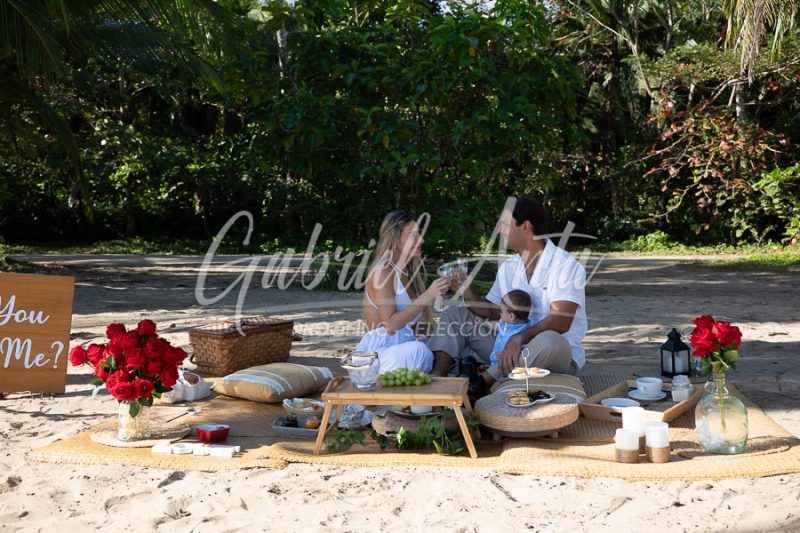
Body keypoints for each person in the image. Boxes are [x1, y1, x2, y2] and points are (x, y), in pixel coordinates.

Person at [428, 197, 587, 394]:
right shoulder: (509, 267)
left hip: (552, 354)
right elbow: (493, 312)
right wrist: (466, 290)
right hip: (508, 350)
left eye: (504, 224)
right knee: (455, 315)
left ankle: (481, 383)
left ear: (525, 226)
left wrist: (518, 339)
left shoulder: (565, 265)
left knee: (551, 340)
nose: (499, 231)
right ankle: (437, 379)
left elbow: (561, 321)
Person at [356, 211, 450, 373]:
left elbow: (413, 328)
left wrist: (444, 335)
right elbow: (390, 326)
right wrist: (428, 295)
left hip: (404, 347)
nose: (421, 240)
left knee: (450, 343)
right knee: (418, 351)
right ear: (395, 239)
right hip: (381, 354)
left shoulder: (408, 273)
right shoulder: (382, 271)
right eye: (413, 236)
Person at [487, 289, 532, 376]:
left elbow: (504, 356)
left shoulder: (515, 335)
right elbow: (498, 326)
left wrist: (494, 356)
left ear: (511, 316)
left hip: (501, 368)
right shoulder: (509, 324)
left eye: (501, 311)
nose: (500, 313)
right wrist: (483, 323)